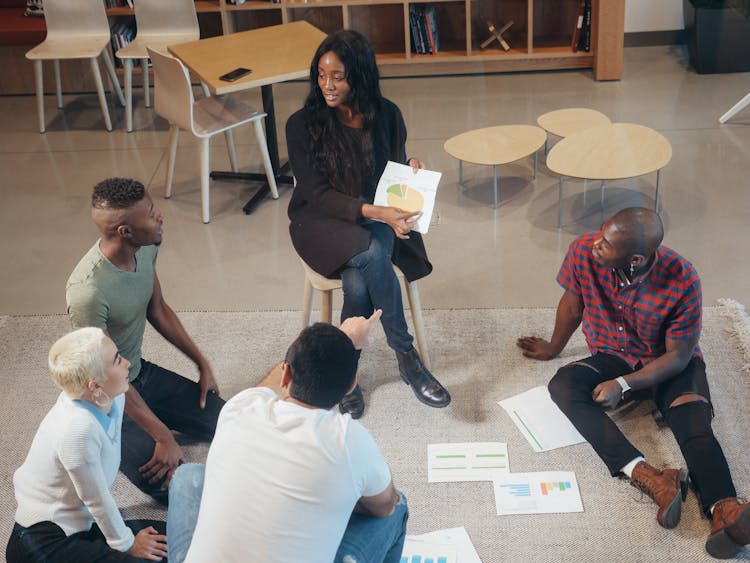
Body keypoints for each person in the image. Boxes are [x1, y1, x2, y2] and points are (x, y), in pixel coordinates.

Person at [517, 207, 750, 559]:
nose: (596, 243)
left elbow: (678, 356)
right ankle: (652, 478)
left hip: (666, 362)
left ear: (636, 258)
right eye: (601, 233)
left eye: (606, 243)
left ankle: (725, 511)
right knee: (562, 386)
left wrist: (623, 384)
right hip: (613, 354)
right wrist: (553, 348)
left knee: (693, 424)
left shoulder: (683, 277)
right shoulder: (583, 252)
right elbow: (572, 305)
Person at [286, 29, 450, 418]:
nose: (327, 85)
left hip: (375, 214)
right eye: (321, 75)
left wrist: (409, 168)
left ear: (358, 76)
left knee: (362, 273)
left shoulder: (387, 114)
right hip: (320, 221)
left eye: (337, 76)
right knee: (373, 256)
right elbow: (318, 195)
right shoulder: (302, 124)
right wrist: (379, 214)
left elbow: (391, 168)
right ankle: (406, 355)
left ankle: (346, 374)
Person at [165, 311, 409, 563]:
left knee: (187, 475)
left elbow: (272, 383)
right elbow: (384, 506)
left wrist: (343, 336)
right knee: (398, 505)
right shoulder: (348, 440)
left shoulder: (240, 408)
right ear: (350, 386)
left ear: (286, 373)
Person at [66, 178, 225, 504]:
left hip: (139, 375)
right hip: (106, 402)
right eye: (151, 214)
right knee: (177, 485)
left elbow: (158, 308)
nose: (160, 217)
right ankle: (112, 440)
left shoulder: (147, 246)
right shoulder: (87, 292)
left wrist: (201, 362)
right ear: (125, 231)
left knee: (232, 421)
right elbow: (104, 378)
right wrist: (162, 434)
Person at [6, 327, 168, 562]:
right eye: (116, 361)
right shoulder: (76, 430)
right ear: (95, 385)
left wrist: (164, 439)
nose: (128, 363)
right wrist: (127, 543)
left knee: (165, 540)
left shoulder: (113, 396)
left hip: (82, 524)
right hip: (43, 541)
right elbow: (96, 497)